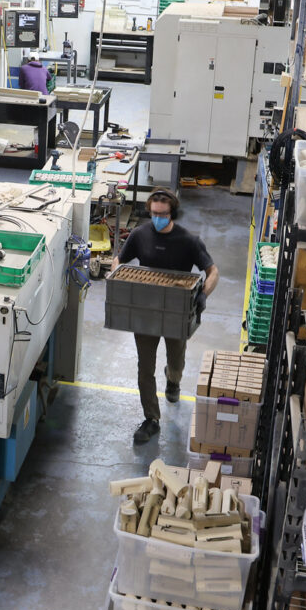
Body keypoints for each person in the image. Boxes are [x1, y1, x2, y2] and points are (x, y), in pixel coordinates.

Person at [116, 189, 219, 444]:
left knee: (177, 361)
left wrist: (203, 293)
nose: (157, 218)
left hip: (176, 311)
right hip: (146, 311)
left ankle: (173, 381)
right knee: (144, 368)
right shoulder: (140, 235)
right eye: (153, 214)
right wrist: (117, 278)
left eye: (162, 214)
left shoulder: (188, 240)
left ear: (172, 213)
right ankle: (151, 419)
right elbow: (119, 259)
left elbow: (213, 270)